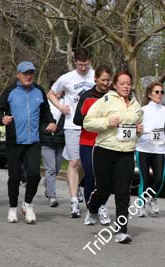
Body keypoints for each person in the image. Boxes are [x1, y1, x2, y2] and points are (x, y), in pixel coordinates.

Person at [0, 61, 56, 224]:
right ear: (18, 74)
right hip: (15, 142)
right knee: (14, 177)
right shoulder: (10, 91)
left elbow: (46, 111)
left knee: (34, 174)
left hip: (34, 141)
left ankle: (28, 204)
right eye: (26, 73)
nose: (29, 76)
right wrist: (2, 118)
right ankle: (12, 207)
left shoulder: (39, 91)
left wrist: (51, 121)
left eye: (31, 73)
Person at [84, 71, 143, 244]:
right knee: (103, 189)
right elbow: (87, 122)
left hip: (126, 153)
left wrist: (139, 131)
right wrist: (106, 122)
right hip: (104, 150)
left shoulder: (136, 106)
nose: (125, 86)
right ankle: (93, 208)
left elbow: (136, 129)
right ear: (115, 85)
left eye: (128, 83)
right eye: (122, 83)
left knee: (123, 192)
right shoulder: (105, 101)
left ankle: (121, 231)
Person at [47, 47, 95, 218]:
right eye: (80, 65)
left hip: (91, 126)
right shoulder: (66, 78)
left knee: (85, 163)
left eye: (86, 64)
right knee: (74, 162)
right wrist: (60, 107)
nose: (83, 68)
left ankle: (76, 183)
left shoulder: (95, 76)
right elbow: (51, 93)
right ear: (75, 62)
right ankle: (74, 201)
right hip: (72, 125)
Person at [73, 64, 113, 225]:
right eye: (103, 80)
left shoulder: (113, 97)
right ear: (95, 79)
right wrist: (97, 122)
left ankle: (98, 206)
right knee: (91, 176)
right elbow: (77, 119)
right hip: (88, 142)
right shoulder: (86, 96)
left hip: (106, 143)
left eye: (108, 80)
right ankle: (94, 208)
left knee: (104, 178)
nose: (105, 83)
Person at [135, 82, 165, 217]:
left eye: (162, 92)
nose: (160, 95)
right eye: (157, 92)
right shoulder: (143, 110)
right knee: (145, 180)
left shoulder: (164, 110)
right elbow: (135, 127)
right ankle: (141, 206)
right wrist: (139, 130)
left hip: (159, 150)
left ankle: (151, 198)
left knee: (160, 179)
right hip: (143, 149)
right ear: (149, 95)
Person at [40, 94, 65, 207]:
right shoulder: (44, 103)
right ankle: (52, 196)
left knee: (56, 168)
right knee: (51, 169)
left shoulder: (66, 102)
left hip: (61, 140)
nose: (58, 93)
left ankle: (47, 183)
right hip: (46, 141)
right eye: (55, 90)